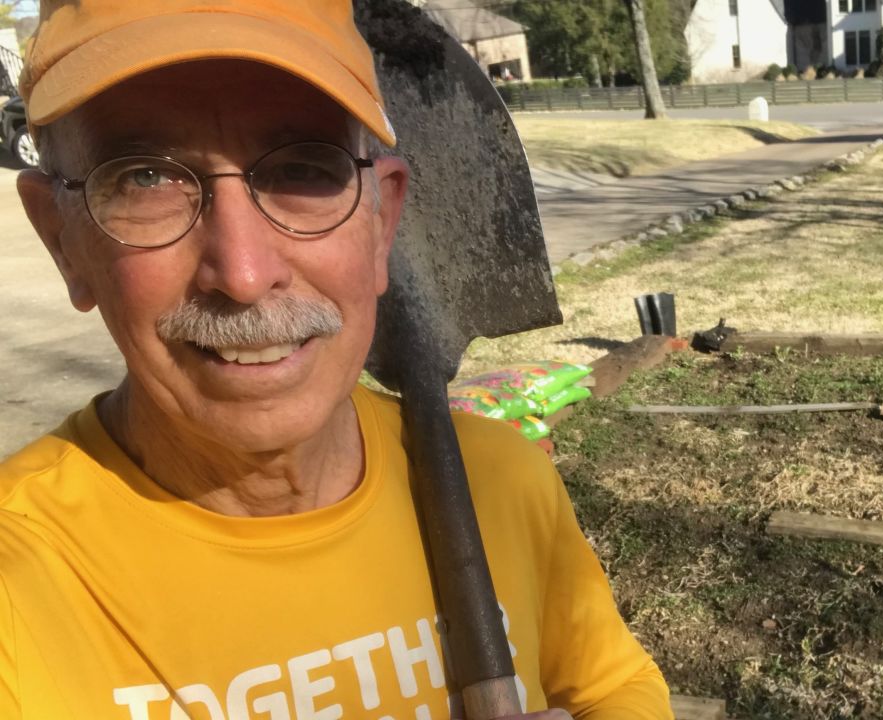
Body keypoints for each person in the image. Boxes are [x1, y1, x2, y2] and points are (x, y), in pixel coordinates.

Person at [0, 1, 672, 718]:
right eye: (143, 179)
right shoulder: (23, 586)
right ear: (62, 238)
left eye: (303, 167)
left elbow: (614, 689)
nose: (245, 272)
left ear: (383, 221)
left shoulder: (500, 481)